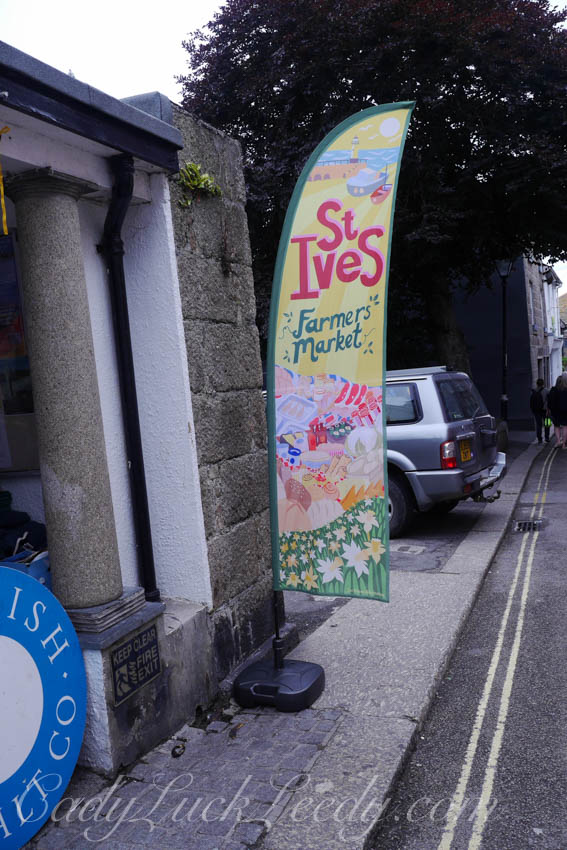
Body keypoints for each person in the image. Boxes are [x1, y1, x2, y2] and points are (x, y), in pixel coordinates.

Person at [547, 375, 567, 449]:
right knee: (565, 426)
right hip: (565, 411)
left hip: (555, 411)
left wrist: (549, 409)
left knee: (556, 426)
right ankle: (564, 445)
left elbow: (549, 401)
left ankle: (558, 441)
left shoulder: (553, 390)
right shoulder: (566, 390)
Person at [530, 378, 549, 444]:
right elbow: (549, 401)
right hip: (545, 410)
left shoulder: (533, 391)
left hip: (536, 411)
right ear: (543, 384)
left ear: (537, 384)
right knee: (547, 423)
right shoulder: (546, 391)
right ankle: (547, 438)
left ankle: (539, 439)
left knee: (539, 425)